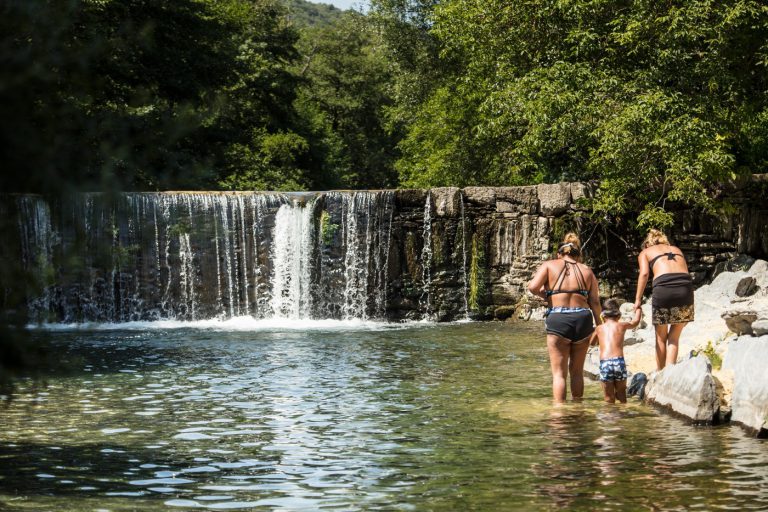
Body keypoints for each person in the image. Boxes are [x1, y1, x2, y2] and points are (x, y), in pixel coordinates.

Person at [528, 233, 602, 403]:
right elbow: (595, 301)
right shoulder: (587, 270)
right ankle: (578, 408)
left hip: (559, 319)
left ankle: (560, 413)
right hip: (583, 319)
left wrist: (548, 296)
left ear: (559, 254)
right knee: (577, 372)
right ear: (577, 255)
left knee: (559, 374)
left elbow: (532, 287)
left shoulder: (549, 265)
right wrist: (600, 326)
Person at [633, 228, 694, 370]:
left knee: (660, 337)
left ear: (648, 243)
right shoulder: (676, 249)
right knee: (674, 338)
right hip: (685, 288)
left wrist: (637, 299)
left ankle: (660, 373)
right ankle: (670, 373)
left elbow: (644, 274)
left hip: (664, 288)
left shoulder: (645, 252)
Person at [589, 299, 642, 403]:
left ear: (603, 316)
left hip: (605, 363)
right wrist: (638, 309)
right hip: (619, 362)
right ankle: (622, 416)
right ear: (618, 316)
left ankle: (610, 417)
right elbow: (635, 322)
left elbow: (591, 343)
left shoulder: (599, 328)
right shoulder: (622, 325)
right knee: (622, 395)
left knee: (608, 398)